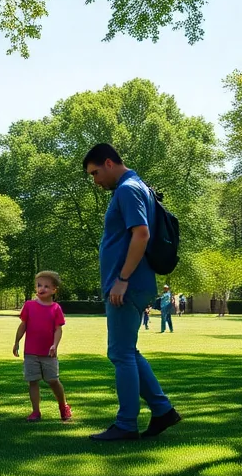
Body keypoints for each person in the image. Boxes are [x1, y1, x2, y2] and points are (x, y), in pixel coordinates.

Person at [83, 143, 180, 441]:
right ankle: (163, 411)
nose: (95, 181)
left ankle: (126, 424)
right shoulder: (136, 187)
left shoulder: (128, 190)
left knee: (120, 353)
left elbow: (141, 234)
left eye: (96, 173)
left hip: (127, 285)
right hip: (131, 284)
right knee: (127, 352)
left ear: (110, 163)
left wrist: (122, 278)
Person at [13, 271, 72, 421]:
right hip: (31, 352)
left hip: (48, 353)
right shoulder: (29, 305)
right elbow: (23, 325)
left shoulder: (56, 308)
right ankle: (36, 412)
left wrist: (55, 345)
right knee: (33, 381)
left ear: (54, 290)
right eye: (39, 285)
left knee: (53, 381)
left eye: (46, 286)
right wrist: (17, 342)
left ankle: (63, 406)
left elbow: (58, 329)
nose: (41, 288)